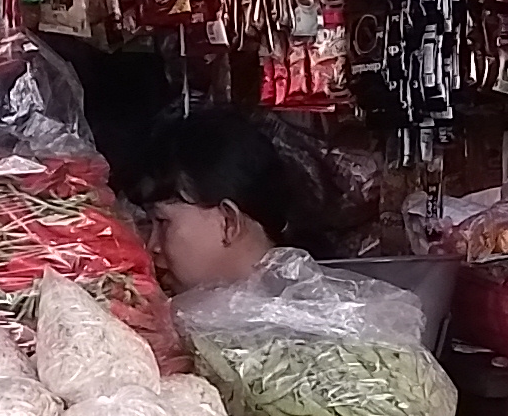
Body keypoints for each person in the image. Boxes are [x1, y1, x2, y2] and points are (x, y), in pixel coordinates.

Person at [120, 104, 350, 294]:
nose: (152, 246)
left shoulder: (311, 320)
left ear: (229, 222)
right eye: (149, 224)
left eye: (162, 222)